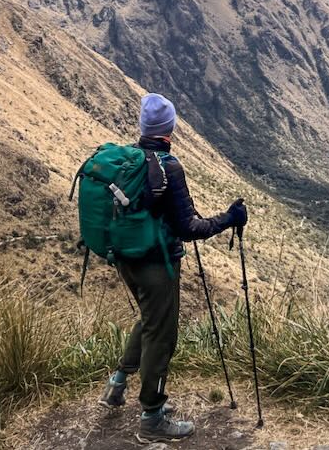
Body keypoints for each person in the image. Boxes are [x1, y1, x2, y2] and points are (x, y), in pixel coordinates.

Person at [99, 92, 247, 443]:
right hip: (156, 263)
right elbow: (188, 228)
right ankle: (152, 417)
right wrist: (229, 218)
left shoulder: (128, 161)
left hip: (125, 258)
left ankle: (117, 385)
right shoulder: (168, 167)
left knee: (150, 321)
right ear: (170, 129)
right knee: (162, 335)